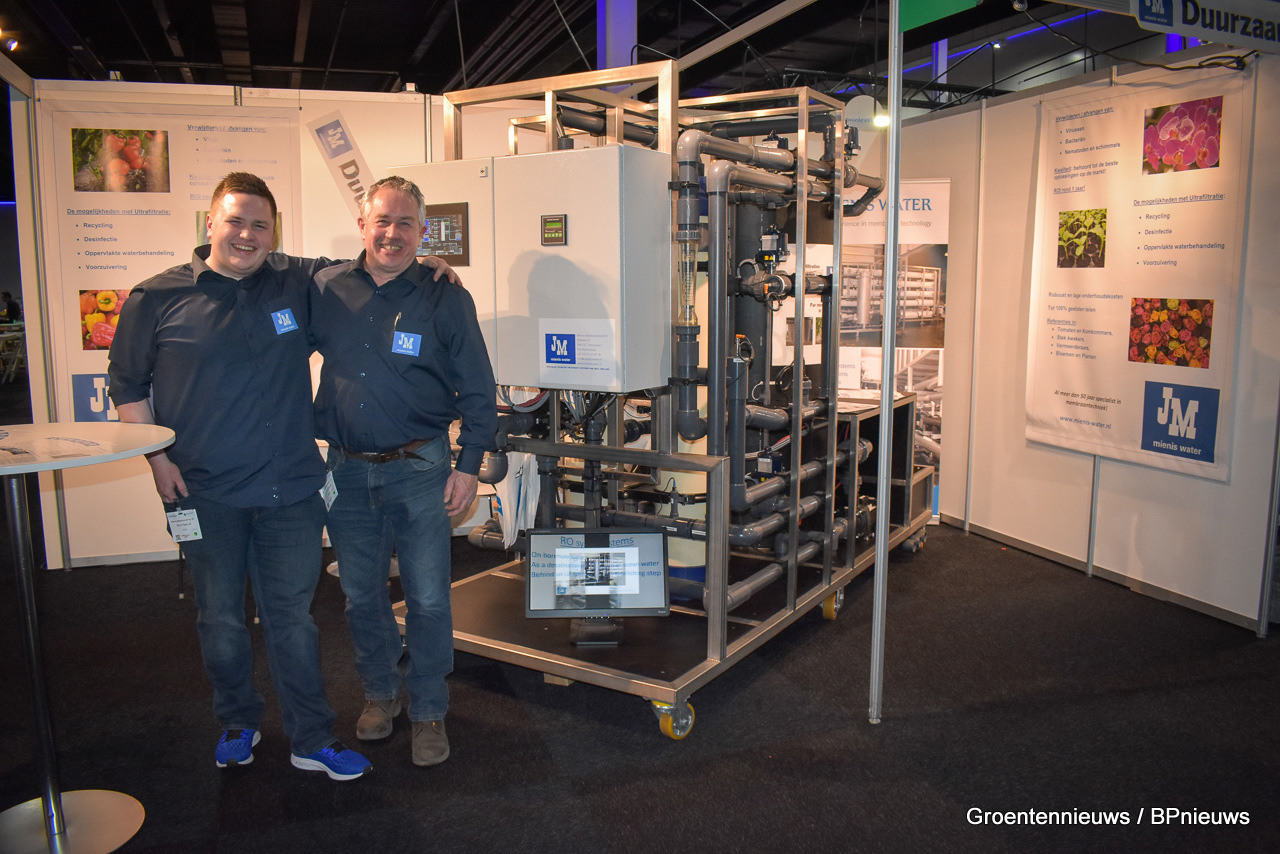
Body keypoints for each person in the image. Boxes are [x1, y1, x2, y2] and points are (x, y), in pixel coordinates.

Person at [106, 172, 375, 780]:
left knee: (293, 620)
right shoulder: (156, 296)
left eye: (260, 225)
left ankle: (311, 738)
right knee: (222, 618)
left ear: (273, 232)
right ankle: (237, 721)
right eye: (235, 221)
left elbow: (372, 265)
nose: (247, 235)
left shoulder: (294, 279)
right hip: (203, 492)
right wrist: (156, 460)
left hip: (290, 490)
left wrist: (426, 263)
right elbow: (127, 385)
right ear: (210, 223)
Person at [311, 175, 497, 767]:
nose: (392, 234)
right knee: (360, 595)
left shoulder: (445, 296)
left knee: (429, 599)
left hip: (422, 469)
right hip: (346, 472)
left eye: (406, 223)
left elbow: (479, 388)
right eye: (382, 221)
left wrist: (469, 467)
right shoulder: (325, 288)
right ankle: (380, 693)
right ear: (362, 225)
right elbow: (260, 271)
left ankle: (429, 709)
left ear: (423, 231)